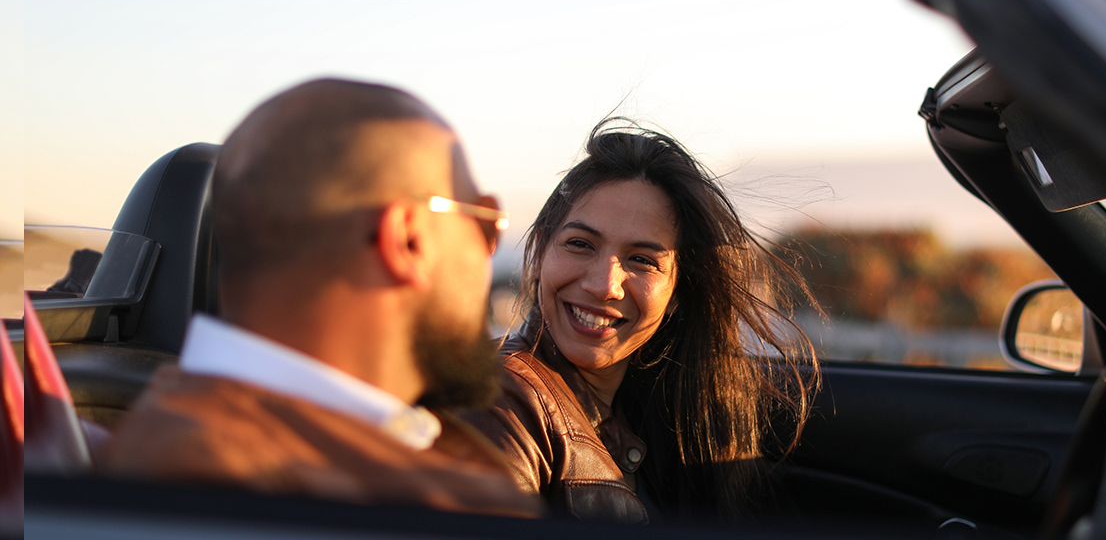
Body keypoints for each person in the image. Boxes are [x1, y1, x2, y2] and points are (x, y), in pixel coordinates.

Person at [100, 78, 541, 518]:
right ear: (408, 240)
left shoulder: (191, 434)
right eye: (485, 221)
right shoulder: (231, 486)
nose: (488, 253)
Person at [464, 120, 819, 523]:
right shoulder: (501, 401)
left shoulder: (659, 413)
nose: (604, 285)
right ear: (541, 251)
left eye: (642, 260)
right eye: (580, 244)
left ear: (677, 293)